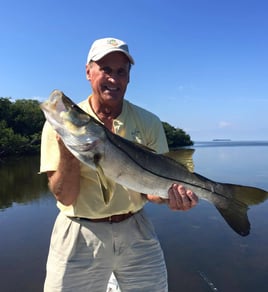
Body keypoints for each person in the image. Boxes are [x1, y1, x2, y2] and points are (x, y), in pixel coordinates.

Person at [40, 37, 198, 292]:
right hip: (79, 231)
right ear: (88, 72)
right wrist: (66, 150)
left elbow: (151, 192)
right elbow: (65, 197)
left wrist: (172, 198)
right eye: (105, 70)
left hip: (136, 228)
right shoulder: (57, 126)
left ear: (128, 78)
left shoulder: (148, 121)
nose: (113, 79)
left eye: (121, 71)